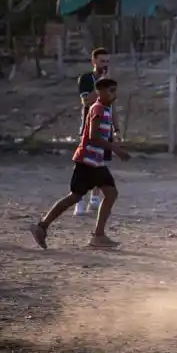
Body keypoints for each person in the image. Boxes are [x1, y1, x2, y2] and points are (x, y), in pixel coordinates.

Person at [30, 77, 129, 249]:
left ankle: (98, 236)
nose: (114, 94)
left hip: (96, 162)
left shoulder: (106, 109)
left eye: (115, 90)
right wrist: (115, 149)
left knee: (110, 193)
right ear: (100, 92)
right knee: (75, 197)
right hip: (86, 161)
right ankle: (42, 226)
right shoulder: (97, 108)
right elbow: (93, 135)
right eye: (110, 90)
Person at [73, 48, 119, 217]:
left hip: (105, 130)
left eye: (107, 61)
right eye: (102, 61)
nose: (105, 65)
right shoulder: (86, 79)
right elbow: (86, 101)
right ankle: (78, 201)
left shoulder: (110, 83)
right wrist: (101, 83)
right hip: (89, 129)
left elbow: (113, 107)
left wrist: (117, 129)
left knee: (101, 163)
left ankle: (95, 199)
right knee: (84, 164)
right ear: (94, 62)